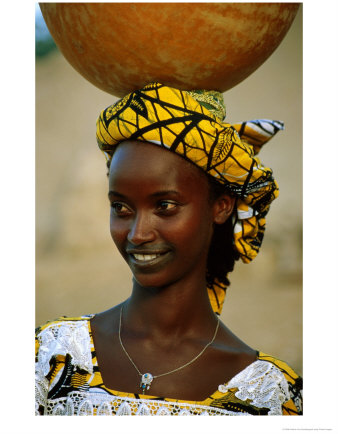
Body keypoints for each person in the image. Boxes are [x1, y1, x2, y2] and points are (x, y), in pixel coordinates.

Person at [35, 82, 302, 416]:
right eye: (121, 208)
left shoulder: (269, 394)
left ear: (220, 206)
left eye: (164, 205)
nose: (137, 234)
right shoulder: (50, 354)